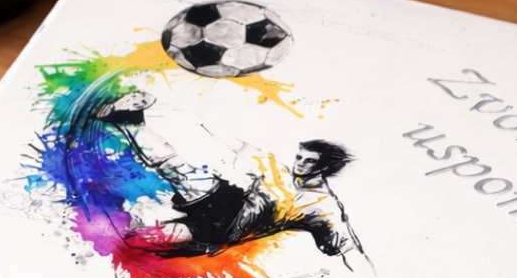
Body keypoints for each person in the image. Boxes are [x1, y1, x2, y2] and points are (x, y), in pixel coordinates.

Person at [96, 91, 367, 266]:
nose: (300, 163)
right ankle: (129, 122)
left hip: (221, 232)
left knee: (140, 241)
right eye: (300, 157)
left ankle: (129, 125)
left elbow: (348, 249)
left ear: (325, 168)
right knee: (176, 169)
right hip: (225, 203)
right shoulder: (277, 170)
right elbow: (240, 146)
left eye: (310, 161)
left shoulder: (323, 205)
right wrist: (202, 122)